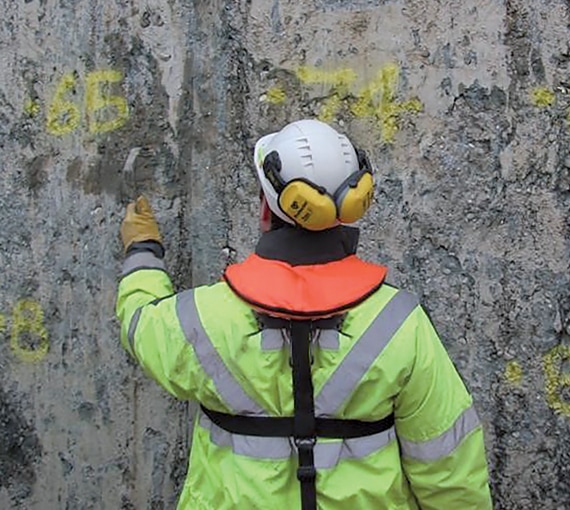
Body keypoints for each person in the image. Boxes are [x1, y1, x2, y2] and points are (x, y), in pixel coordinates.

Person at [116, 119, 493, 509]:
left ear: (266, 208)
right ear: (352, 204)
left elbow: (140, 322)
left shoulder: (204, 318)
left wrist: (142, 250)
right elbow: (450, 470)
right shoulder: (398, 323)